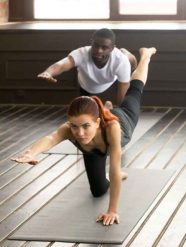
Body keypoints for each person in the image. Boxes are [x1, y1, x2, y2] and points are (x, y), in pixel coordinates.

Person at [12, 47, 157, 226]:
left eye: (86, 126)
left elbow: (114, 168)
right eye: (74, 126)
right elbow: (50, 139)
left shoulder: (112, 128)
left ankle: (145, 56)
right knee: (98, 190)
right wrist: (30, 153)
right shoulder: (70, 129)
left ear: (97, 122)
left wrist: (112, 210)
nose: (79, 133)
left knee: (134, 92)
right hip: (93, 147)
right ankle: (105, 108)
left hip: (122, 121)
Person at [37, 28, 137, 106]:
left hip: (110, 82)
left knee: (128, 60)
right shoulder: (81, 53)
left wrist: (121, 114)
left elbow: (123, 93)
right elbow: (62, 65)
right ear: (91, 43)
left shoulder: (121, 61)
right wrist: (48, 72)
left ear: (112, 48)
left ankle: (127, 54)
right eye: (96, 46)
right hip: (86, 86)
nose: (99, 50)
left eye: (104, 47)